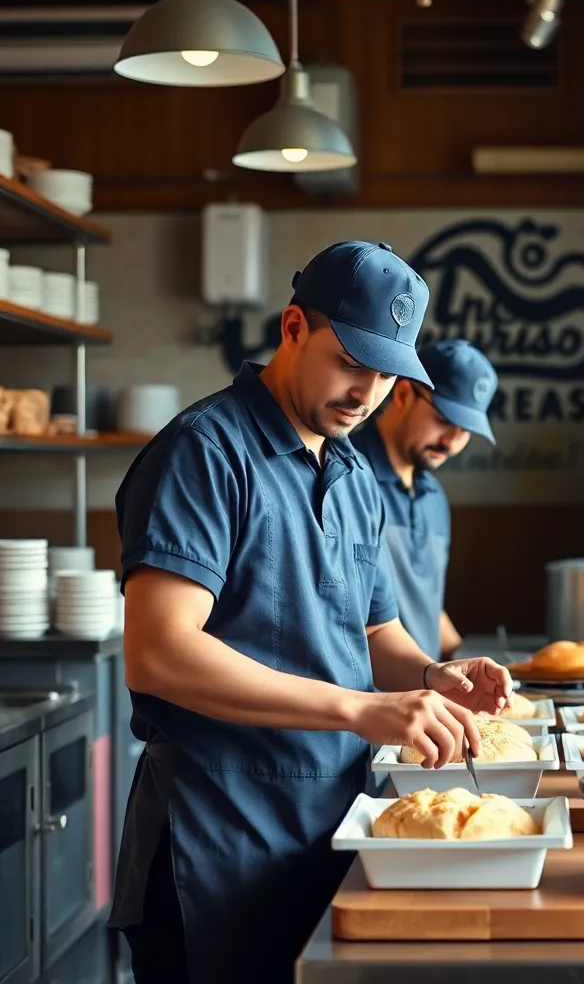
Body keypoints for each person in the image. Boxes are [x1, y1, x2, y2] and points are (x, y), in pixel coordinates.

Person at [108, 241, 512, 984]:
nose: (368, 391)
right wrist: (362, 709)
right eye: (352, 362)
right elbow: (159, 653)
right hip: (218, 836)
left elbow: (374, 630)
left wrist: (430, 674)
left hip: (329, 829)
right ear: (293, 327)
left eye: (388, 373)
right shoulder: (205, 452)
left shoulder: (352, 470)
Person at [353, 339, 498, 661]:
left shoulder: (434, 498)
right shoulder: (346, 476)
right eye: (444, 420)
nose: (452, 442)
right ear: (403, 394)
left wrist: (480, 666)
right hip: (367, 700)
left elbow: (428, 607)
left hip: (428, 694)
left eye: (465, 431)